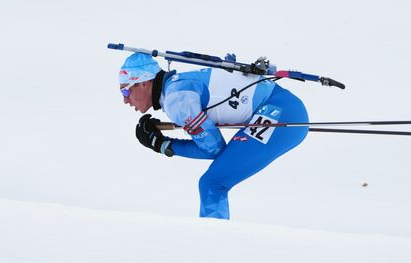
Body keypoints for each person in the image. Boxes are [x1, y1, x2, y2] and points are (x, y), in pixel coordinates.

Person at [118, 52, 309, 220]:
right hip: (285, 107)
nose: (125, 99)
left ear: (144, 83)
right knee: (213, 181)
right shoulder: (177, 87)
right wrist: (162, 143)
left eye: (125, 90)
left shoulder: (177, 100)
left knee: (213, 184)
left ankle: (214, 243)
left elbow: (214, 149)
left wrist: (163, 145)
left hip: (280, 111)